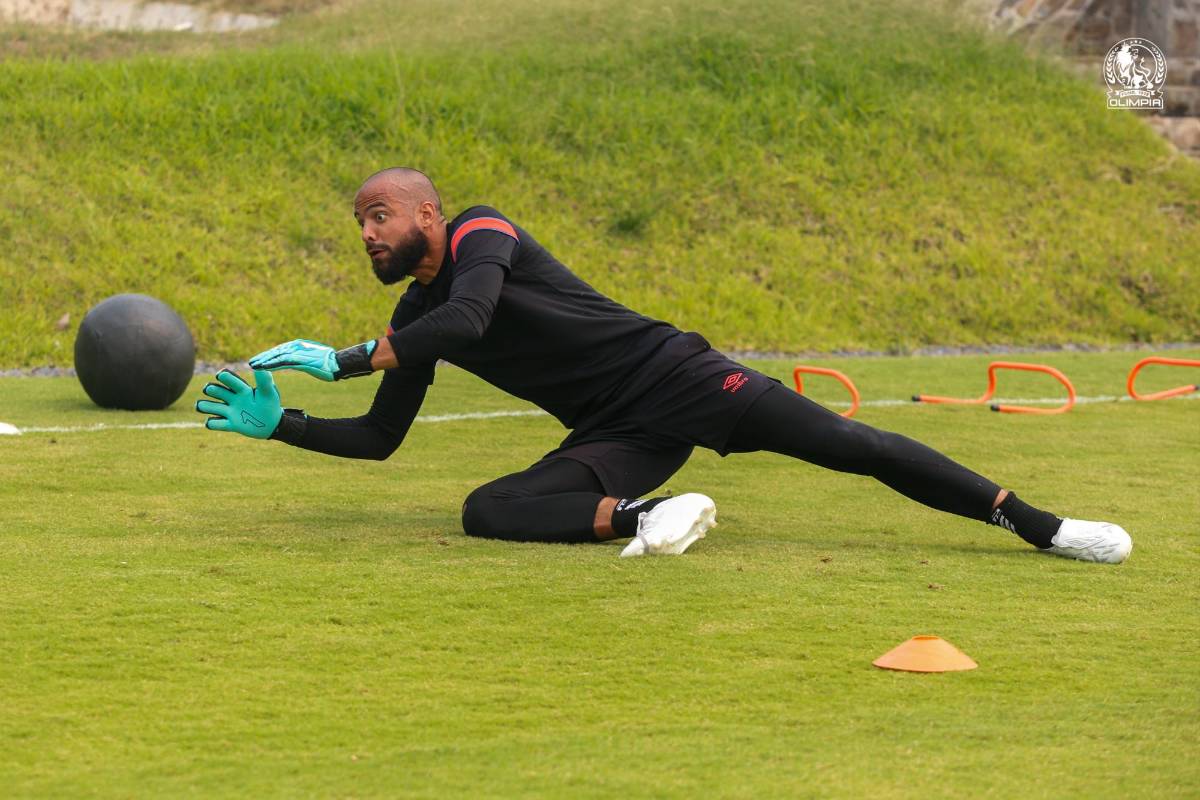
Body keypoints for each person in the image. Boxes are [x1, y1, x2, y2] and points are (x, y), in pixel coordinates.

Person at [195, 167, 1132, 563]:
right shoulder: (412, 315)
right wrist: (282, 423)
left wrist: (353, 357)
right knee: (486, 509)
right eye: (359, 224)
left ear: (428, 217)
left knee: (850, 444)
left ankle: (1043, 528)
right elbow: (382, 440)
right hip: (617, 436)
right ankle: (653, 515)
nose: (367, 233)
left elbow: (476, 315)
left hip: (672, 372)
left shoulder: (485, 233)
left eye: (379, 216)